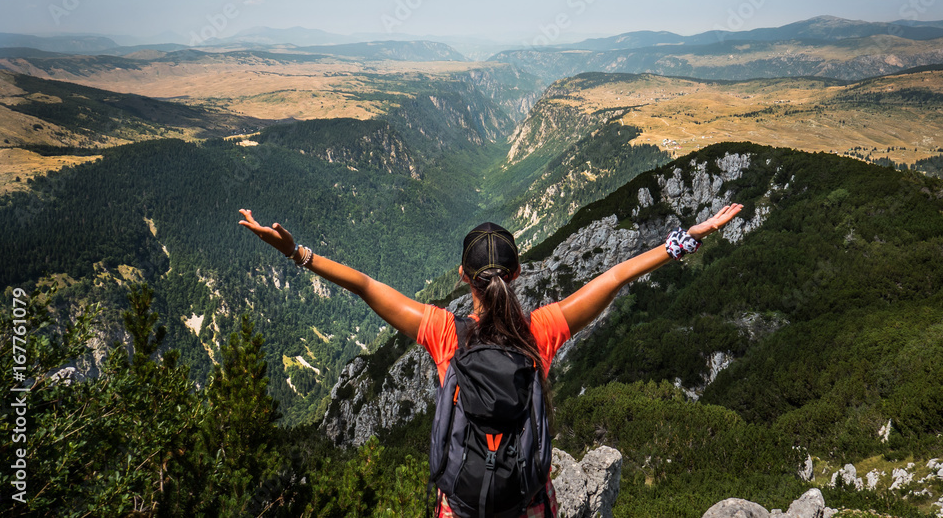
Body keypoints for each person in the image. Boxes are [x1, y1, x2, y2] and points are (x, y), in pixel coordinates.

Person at [238, 203, 743, 516]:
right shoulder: (540, 333)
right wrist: (686, 238)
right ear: (519, 274)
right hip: (526, 503)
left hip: (458, 507)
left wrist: (296, 253)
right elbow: (614, 276)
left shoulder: (443, 334)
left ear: (463, 276)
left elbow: (366, 285)